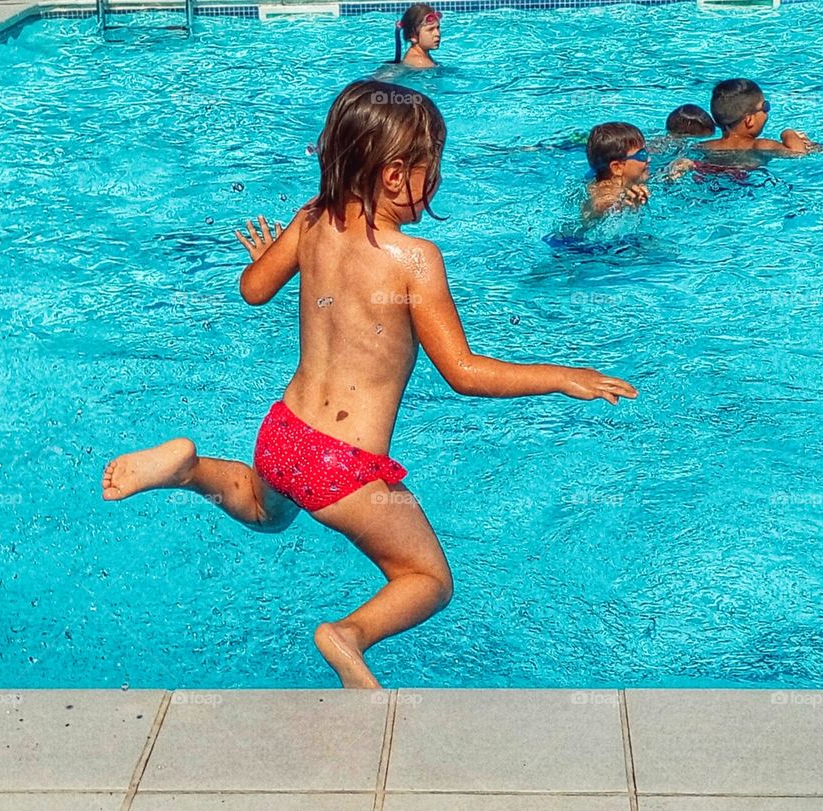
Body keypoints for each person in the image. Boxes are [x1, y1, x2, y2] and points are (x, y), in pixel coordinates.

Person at [101, 80, 638, 689]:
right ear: (393, 176)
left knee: (262, 508)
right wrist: (560, 376)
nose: (435, 182)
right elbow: (463, 373)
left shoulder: (310, 221)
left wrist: (266, 253)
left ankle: (187, 469)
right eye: (429, 169)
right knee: (428, 580)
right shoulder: (415, 260)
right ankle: (348, 635)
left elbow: (253, 290)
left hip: (283, 433)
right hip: (343, 464)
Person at [699, 79, 811, 155]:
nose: (766, 113)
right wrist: (788, 133)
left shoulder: (703, 147)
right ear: (749, 120)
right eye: (765, 107)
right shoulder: (759, 145)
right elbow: (798, 152)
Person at [583, 122, 652, 217]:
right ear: (617, 168)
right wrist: (621, 202)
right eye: (642, 155)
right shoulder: (606, 193)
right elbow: (599, 205)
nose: (649, 159)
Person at [394, 4, 442, 68]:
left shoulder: (423, 55)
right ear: (412, 36)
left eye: (438, 28)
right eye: (430, 29)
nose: (437, 34)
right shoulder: (421, 63)